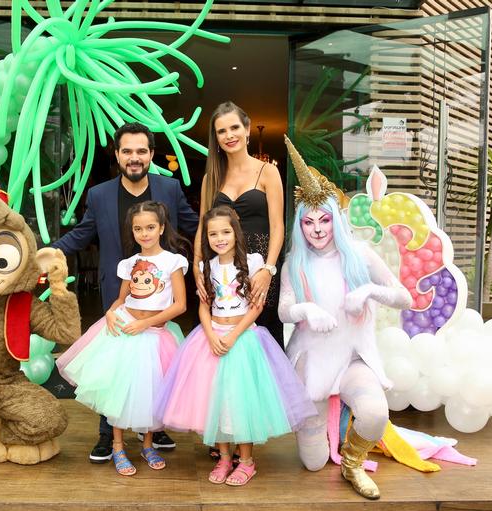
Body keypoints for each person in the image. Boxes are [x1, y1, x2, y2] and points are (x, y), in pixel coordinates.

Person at [52, 122, 198, 463]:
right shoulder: (100, 195)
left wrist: (235, 246)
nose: (135, 158)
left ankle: (154, 427)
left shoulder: (170, 188)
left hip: (160, 298)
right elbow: (81, 234)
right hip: (119, 295)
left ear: (151, 155)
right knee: (113, 366)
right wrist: (48, 254)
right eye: (127, 151)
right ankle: (108, 433)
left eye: (141, 151)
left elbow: (195, 227)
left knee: (154, 367)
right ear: (117, 155)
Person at [278, 137, 412, 500]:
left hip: (353, 358)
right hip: (313, 363)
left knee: (374, 413)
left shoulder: (361, 255)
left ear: (336, 219)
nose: (318, 229)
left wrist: (369, 292)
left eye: (324, 219)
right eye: (308, 222)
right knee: (313, 462)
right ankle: (317, 429)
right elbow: (283, 309)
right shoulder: (294, 264)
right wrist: (305, 310)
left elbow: (404, 297)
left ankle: (352, 463)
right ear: (300, 226)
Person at [157, 206, 313, 486]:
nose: (220, 238)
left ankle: (247, 461)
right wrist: (210, 334)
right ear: (206, 237)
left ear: (236, 233)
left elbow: (256, 307)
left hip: (243, 338)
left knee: (241, 401)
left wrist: (233, 336)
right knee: (213, 400)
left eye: (225, 232)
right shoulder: (206, 266)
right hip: (212, 338)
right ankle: (224, 458)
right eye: (213, 233)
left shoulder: (253, 262)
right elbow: (204, 308)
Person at [56, 201, 188, 476]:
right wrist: (110, 313)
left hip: (154, 334)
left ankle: (148, 444)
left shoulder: (173, 261)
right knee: (119, 391)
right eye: (138, 228)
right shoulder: (128, 264)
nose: (144, 233)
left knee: (152, 393)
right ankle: (117, 446)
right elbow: (120, 299)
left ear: (161, 228)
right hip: (125, 330)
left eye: (150, 227)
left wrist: (146, 323)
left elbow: (179, 305)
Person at [194, 101, 285, 352]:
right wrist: (196, 267)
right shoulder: (210, 178)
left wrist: (268, 269)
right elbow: (202, 228)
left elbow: (278, 227)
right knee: (217, 340)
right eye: (221, 131)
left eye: (234, 127)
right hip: (220, 270)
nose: (229, 135)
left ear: (247, 129)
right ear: (216, 138)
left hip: (259, 272)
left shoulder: (267, 172)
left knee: (257, 343)